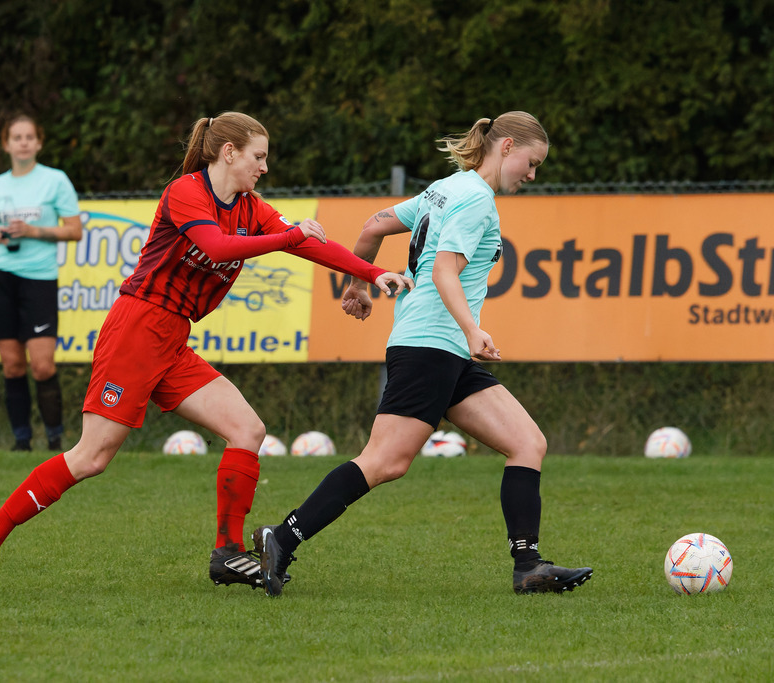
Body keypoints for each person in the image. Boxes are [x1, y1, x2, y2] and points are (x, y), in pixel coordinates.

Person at [0, 111, 413, 594]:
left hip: (172, 337)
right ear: (229, 152)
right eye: (259, 157)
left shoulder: (250, 207)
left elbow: (311, 246)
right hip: (137, 330)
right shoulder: (185, 192)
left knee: (247, 430)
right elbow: (217, 247)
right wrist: (290, 236)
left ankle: (228, 553)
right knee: (91, 456)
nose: (264, 167)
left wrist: (371, 273)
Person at [252, 112, 593, 596]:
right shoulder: (476, 199)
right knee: (385, 461)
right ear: (506, 147)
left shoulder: (445, 188)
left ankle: (529, 567)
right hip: (430, 345)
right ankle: (282, 538)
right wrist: (473, 330)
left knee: (527, 443)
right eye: (532, 163)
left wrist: (358, 285)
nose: (533, 175)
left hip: (444, 349)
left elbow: (372, 227)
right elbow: (443, 273)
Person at [0, 113, 83, 452]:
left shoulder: (55, 180)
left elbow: (75, 230)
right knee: (11, 365)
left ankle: (55, 440)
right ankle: (21, 442)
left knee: (42, 365)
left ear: (39, 142)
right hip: (2, 278)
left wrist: (34, 231)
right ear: (5, 144)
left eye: (29, 137)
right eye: (16, 138)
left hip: (39, 279)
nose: (23, 143)